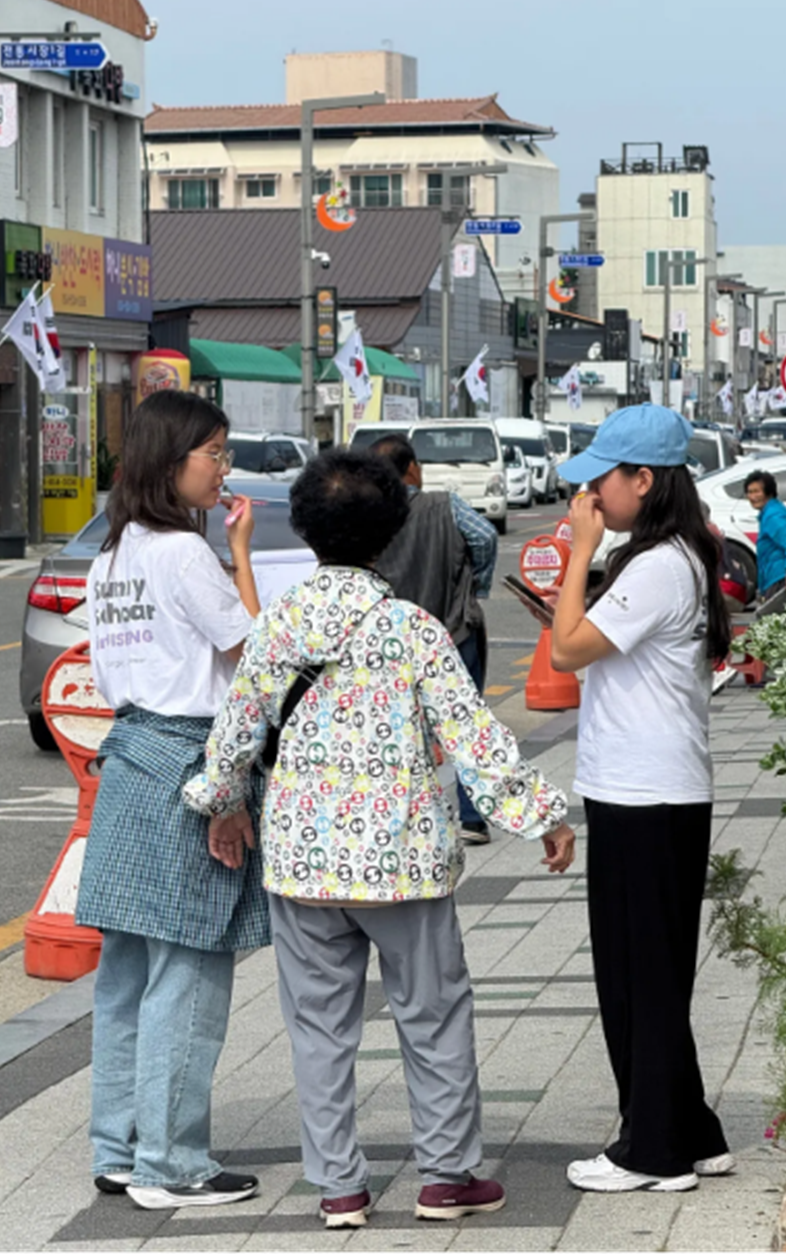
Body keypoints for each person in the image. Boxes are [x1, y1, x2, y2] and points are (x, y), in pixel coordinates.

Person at [184, 449, 575, 1229]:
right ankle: (446, 1177)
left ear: (304, 528)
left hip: (303, 861)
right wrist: (539, 814)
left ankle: (338, 1188)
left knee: (318, 1028)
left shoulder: (280, 623)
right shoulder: (412, 629)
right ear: (391, 530)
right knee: (431, 1015)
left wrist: (221, 803)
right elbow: (471, 734)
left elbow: (235, 731)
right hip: (403, 859)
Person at [75, 390, 269, 1212]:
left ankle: (118, 1150)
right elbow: (256, 658)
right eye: (213, 453)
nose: (223, 467)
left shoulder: (110, 557)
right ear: (170, 459)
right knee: (188, 971)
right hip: (188, 761)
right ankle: (171, 1163)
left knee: (126, 976)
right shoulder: (183, 555)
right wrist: (242, 557)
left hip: (127, 761)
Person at [550, 403, 736, 1194]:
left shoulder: (658, 564)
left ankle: (651, 1152)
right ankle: (690, 1131)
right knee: (650, 972)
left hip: (643, 796)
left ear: (644, 480)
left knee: (637, 979)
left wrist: (578, 551)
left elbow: (565, 651)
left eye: (602, 479)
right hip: (652, 791)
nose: (589, 494)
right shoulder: (673, 555)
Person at [368, 432, 499, 845]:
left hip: (392, 640)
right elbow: (485, 536)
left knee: (397, 728)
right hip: (454, 630)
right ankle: (472, 818)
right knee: (465, 723)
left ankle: (402, 820)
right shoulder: (445, 505)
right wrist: (475, 584)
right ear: (412, 469)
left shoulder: (369, 516)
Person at [744, 469, 786, 611]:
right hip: (776, 576)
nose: (752, 497)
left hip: (780, 578)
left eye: (757, 491)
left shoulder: (774, 516)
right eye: (749, 492)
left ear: (769, 492)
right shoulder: (771, 511)